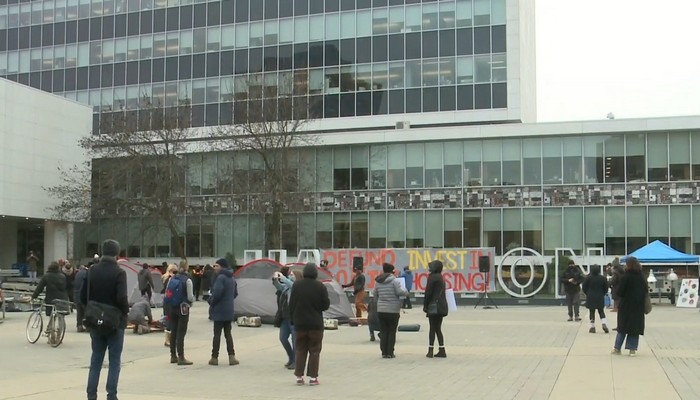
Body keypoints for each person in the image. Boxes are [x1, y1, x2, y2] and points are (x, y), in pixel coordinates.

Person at [80, 239, 129, 400]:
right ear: (117, 253)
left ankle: (91, 394)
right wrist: (124, 313)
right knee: (114, 360)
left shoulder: (92, 270)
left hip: (95, 320)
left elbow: (81, 296)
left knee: (96, 359)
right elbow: (122, 298)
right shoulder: (119, 272)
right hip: (114, 322)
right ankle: (111, 395)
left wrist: (91, 309)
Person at [289, 263, 330, 386]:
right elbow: (325, 305)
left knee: (300, 349)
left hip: (300, 323)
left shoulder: (296, 285)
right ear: (316, 273)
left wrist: (293, 320)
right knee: (315, 350)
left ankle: (299, 377)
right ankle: (313, 378)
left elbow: (292, 304)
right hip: (315, 324)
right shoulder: (320, 286)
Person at [207, 258, 240, 366]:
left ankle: (214, 357)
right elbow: (235, 293)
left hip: (219, 310)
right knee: (228, 334)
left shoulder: (221, 278)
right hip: (229, 310)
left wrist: (210, 301)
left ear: (222, 266)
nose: (215, 268)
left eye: (216, 266)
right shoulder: (232, 278)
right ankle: (232, 357)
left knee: (217, 335)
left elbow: (216, 294)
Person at [612, 256, 647, 356]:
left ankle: (617, 348)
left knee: (622, 327)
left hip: (626, 305)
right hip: (638, 306)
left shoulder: (626, 277)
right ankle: (632, 349)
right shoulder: (641, 276)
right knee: (634, 328)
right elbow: (645, 290)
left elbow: (620, 292)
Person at [373, 263, 409, 359]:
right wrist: (406, 291)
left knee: (384, 331)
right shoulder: (394, 281)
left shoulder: (378, 281)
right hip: (393, 310)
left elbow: (375, 295)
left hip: (381, 310)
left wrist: (380, 303)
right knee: (392, 331)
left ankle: (383, 352)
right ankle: (390, 352)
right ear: (392, 271)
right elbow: (400, 292)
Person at [166, 261, 195, 365]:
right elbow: (190, 297)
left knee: (173, 331)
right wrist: (192, 302)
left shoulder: (172, 278)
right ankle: (181, 357)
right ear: (187, 268)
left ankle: (173, 356)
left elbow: (167, 293)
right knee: (181, 333)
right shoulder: (187, 280)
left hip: (172, 307)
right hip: (183, 308)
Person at [31, 261, 70, 331]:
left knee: (52, 315)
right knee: (61, 316)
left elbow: (39, 288)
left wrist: (33, 296)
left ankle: (51, 332)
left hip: (51, 299)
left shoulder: (47, 276)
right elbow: (66, 287)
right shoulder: (62, 276)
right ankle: (60, 334)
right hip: (62, 299)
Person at [273, 267, 298, 369]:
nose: (290, 275)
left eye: (292, 275)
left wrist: (283, 278)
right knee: (283, 338)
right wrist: (275, 280)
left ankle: (296, 361)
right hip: (284, 317)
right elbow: (280, 287)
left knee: (295, 340)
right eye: (290, 274)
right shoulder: (286, 287)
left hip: (293, 317)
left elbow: (291, 285)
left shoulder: (296, 286)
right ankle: (291, 357)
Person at [424, 260, 448, 358]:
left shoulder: (432, 277)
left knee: (432, 328)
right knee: (438, 328)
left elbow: (428, 293)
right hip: (441, 306)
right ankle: (442, 349)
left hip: (433, 306)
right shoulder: (441, 278)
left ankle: (430, 350)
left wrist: (425, 305)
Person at [582, 265, 609, 334]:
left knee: (591, 312)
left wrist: (587, 293)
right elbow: (606, 287)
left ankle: (592, 327)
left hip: (590, 296)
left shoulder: (588, 278)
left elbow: (584, 287)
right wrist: (603, 293)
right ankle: (603, 323)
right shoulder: (602, 278)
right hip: (600, 296)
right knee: (601, 311)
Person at [161, 263, 178, 347]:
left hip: (166, 301)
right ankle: (168, 340)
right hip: (170, 301)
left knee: (168, 319)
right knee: (170, 320)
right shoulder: (171, 279)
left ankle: (168, 339)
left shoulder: (164, 278)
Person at [74, 264, 88, 332]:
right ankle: (87, 326)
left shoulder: (77, 274)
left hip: (76, 294)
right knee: (86, 311)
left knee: (79, 312)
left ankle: (79, 326)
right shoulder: (86, 274)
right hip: (82, 294)